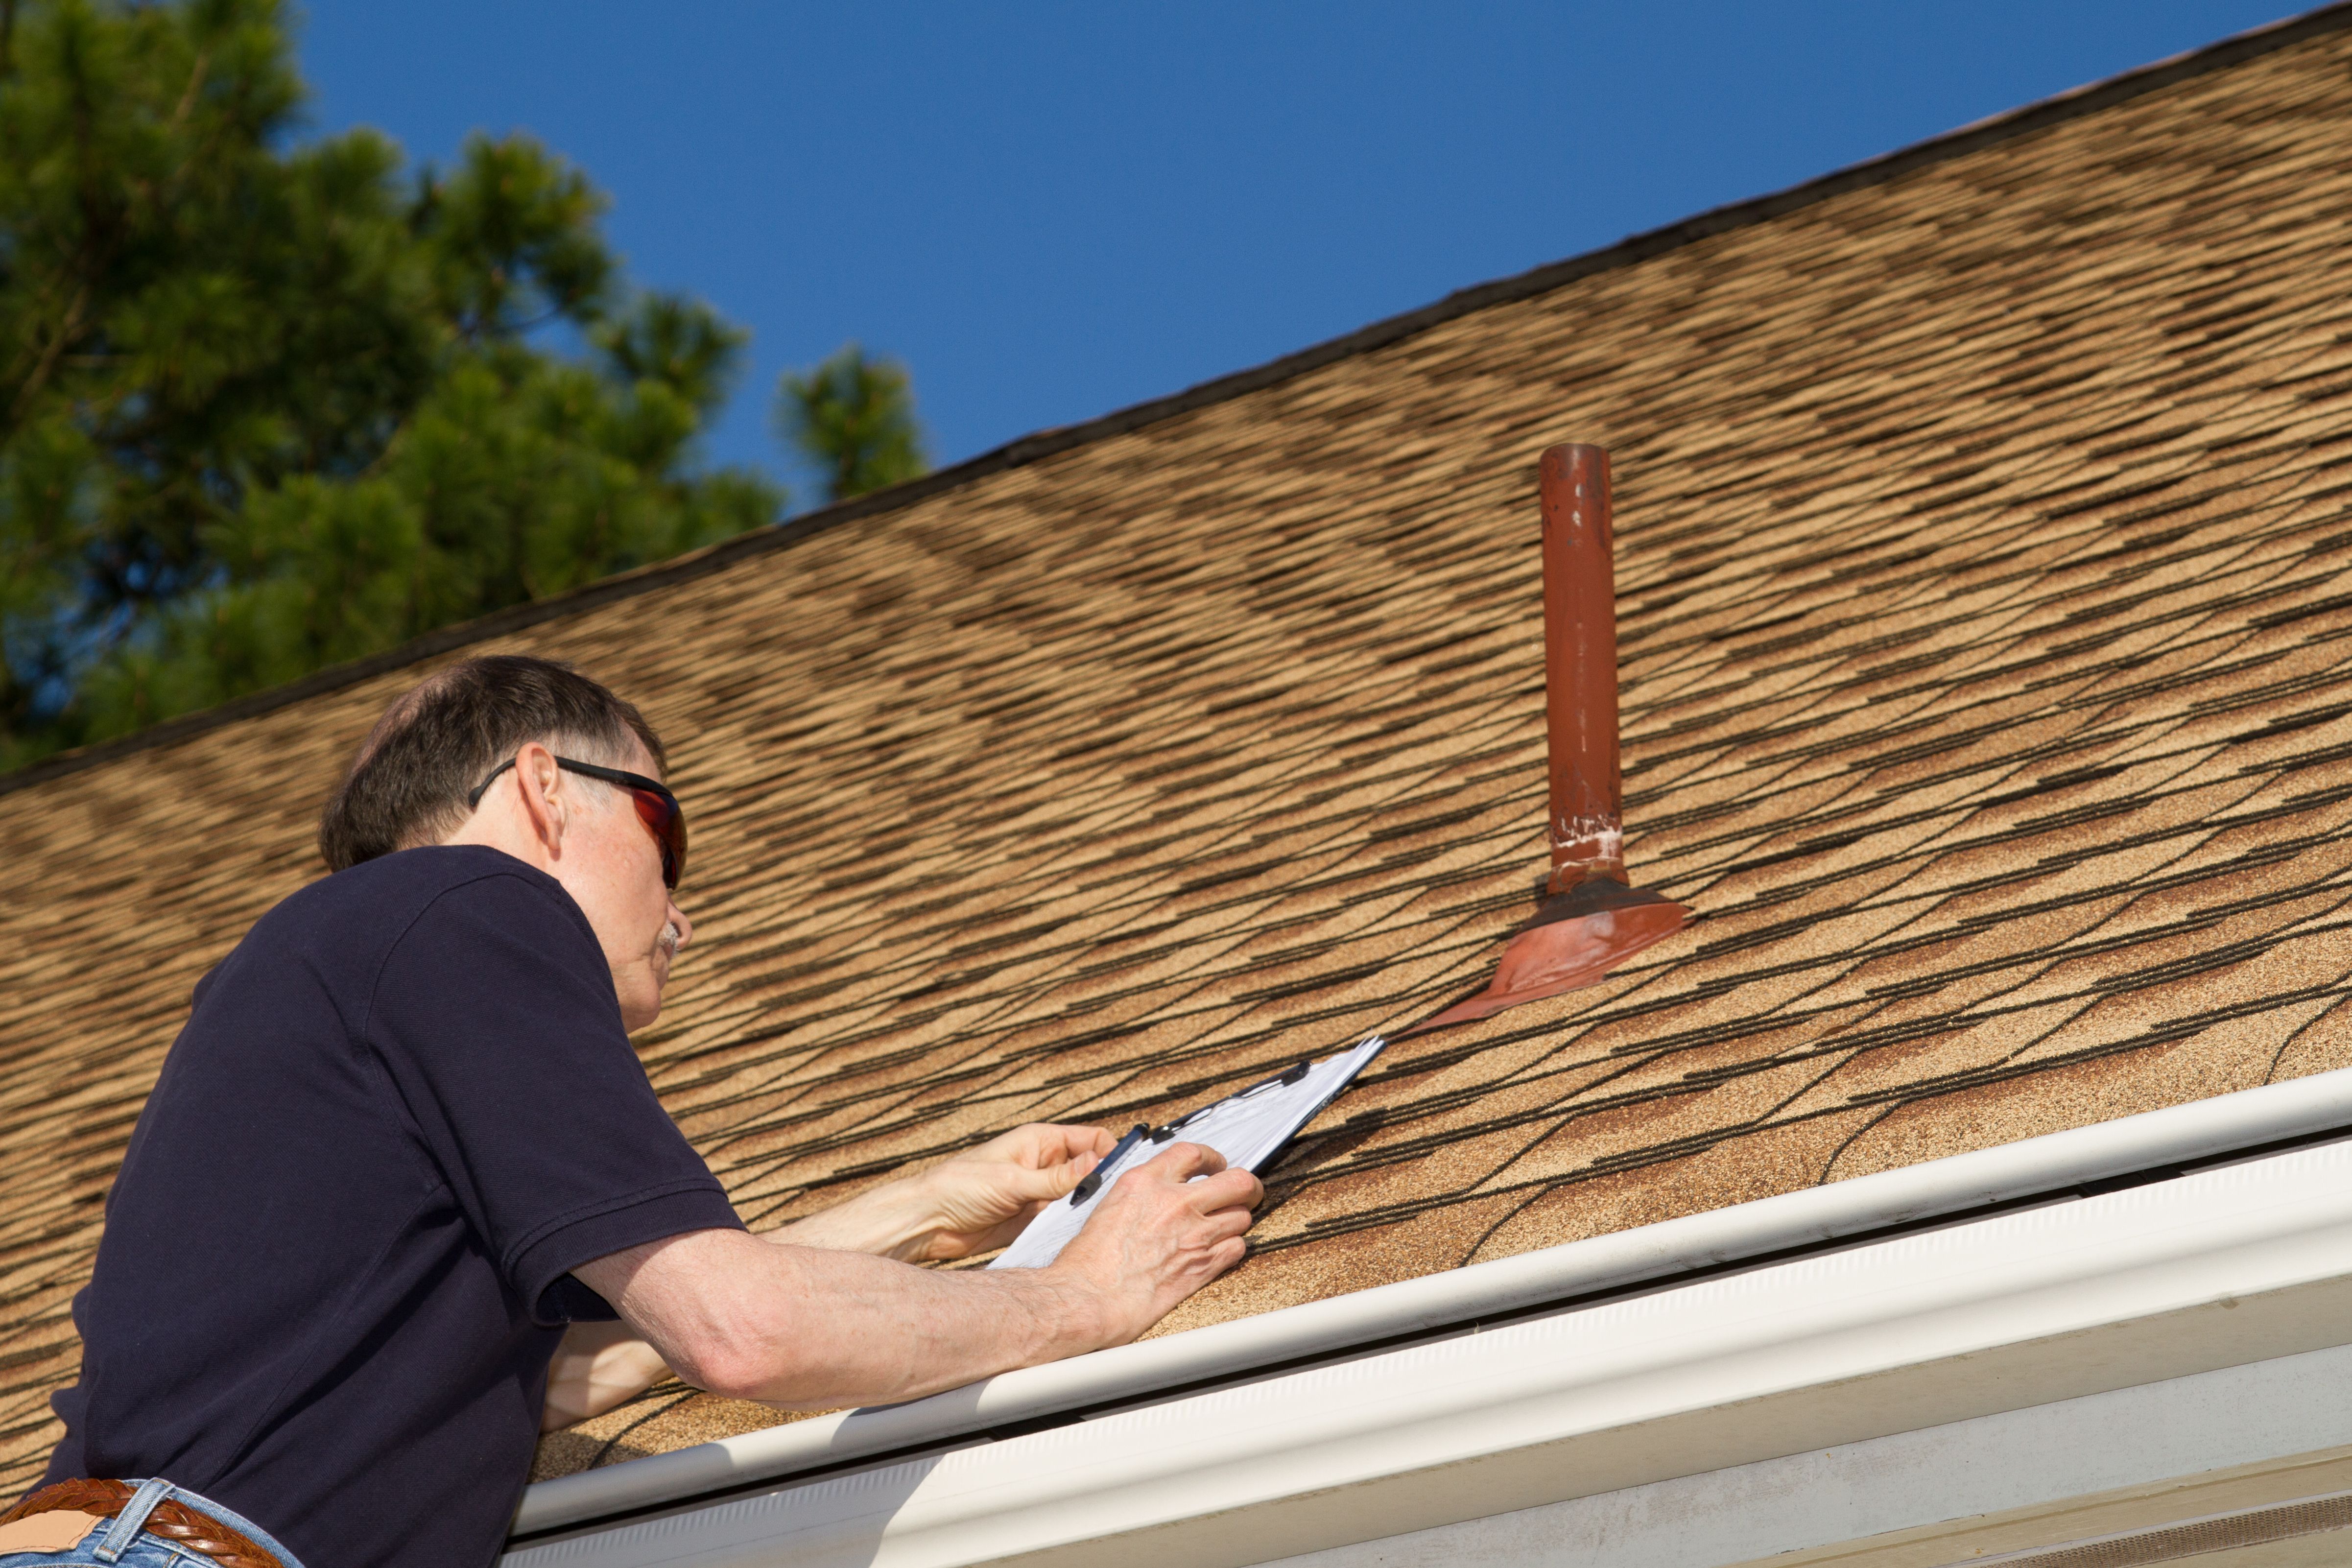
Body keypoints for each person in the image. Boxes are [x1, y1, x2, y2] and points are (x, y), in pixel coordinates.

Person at [3, 656, 1261, 1568]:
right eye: (666, 833)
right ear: (544, 788)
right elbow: (741, 1331)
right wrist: (1085, 1295)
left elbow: (556, 1376)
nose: (680, 911)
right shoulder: (470, 902)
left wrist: (923, 1206)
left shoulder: (354, 974)